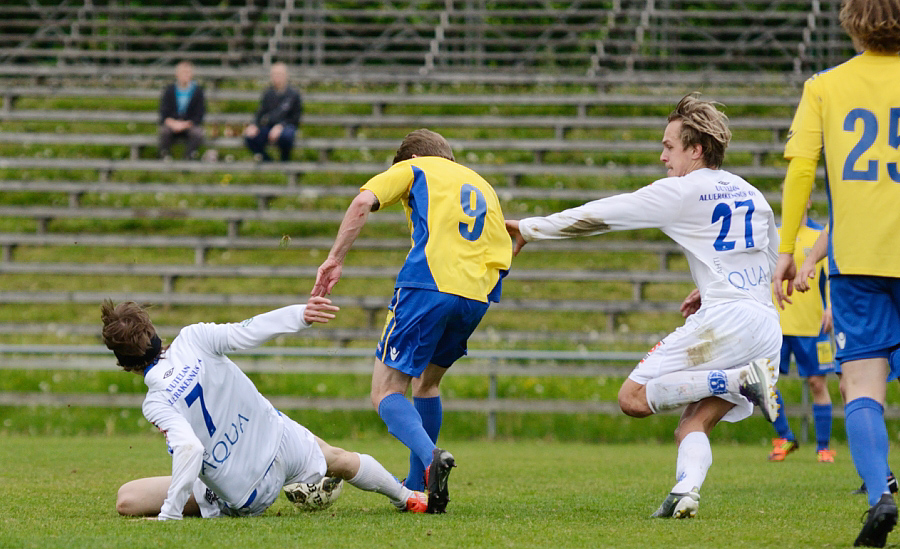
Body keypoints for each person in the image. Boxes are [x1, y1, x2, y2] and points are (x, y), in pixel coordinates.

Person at [505, 93, 781, 519]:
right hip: (765, 325)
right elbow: (768, 261)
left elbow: (604, 214)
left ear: (695, 149)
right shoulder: (754, 195)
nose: (662, 156)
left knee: (632, 398)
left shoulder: (683, 191)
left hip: (728, 319)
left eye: (669, 146)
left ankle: (741, 380)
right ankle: (685, 492)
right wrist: (710, 290)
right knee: (693, 423)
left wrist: (530, 228)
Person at [311, 128, 512, 514]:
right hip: (476, 296)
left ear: (412, 160)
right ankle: (419, 487)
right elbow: (501, 245)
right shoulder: (482, 185)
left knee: (386, 390)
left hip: (428, 285)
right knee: (427, 383)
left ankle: (431, 456)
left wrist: (335, 258)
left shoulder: (417, 169)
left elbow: (361, 203)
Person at [101, 296, 427, 520]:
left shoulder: (156, 401)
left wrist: (169, 514)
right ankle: (406, 497)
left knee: (127, 498)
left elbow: (189, 447)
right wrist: (299, 314)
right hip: (283, 444)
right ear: (153, 332)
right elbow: (249, 331)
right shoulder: (194, 337)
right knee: (339, 459)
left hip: (247, 492)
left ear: (123, 363)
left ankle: (205, 499)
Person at [771, 0, 900, 545]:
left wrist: (787, 248)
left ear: (851, 19)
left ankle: (880, 496)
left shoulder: (824, 85)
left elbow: (803, 167)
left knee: (861, 385)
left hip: (859, 260)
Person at [767, 211, 836, 463]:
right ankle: (786, 437)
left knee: (818, 384)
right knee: (765, 383)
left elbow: (831, 277)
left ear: (807, 200)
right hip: (776, 323)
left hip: (812, 325)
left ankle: (823, 447)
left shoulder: (820, 235)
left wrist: (830, 306)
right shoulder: (773, 234)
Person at [243, 62, 302, 162]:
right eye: (274, 74)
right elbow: (261, 112)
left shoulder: (293, 94)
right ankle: (268, 161)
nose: (276, 77)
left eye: (279, 74)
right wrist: (254, 125)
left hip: (287, 127)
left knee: (286, 136)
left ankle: (285, 160)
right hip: (270, 127)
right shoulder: (268, 93)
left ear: (286, 76)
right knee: (250, 137)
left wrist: (280, 126)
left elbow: (295, 118)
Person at [158, 60, 206, 160]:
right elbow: (163, 112)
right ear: (177, 74)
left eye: (188, 72)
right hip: (172, 123)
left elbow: (199, 114)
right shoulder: (169, 90)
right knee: (164, 131)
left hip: (189, 124)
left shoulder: (198, 91)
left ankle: (189, 156)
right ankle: (165, 155)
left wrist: (185, 125)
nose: (186, 75)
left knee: (197, 133)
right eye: (183, 72)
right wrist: (173, 123)